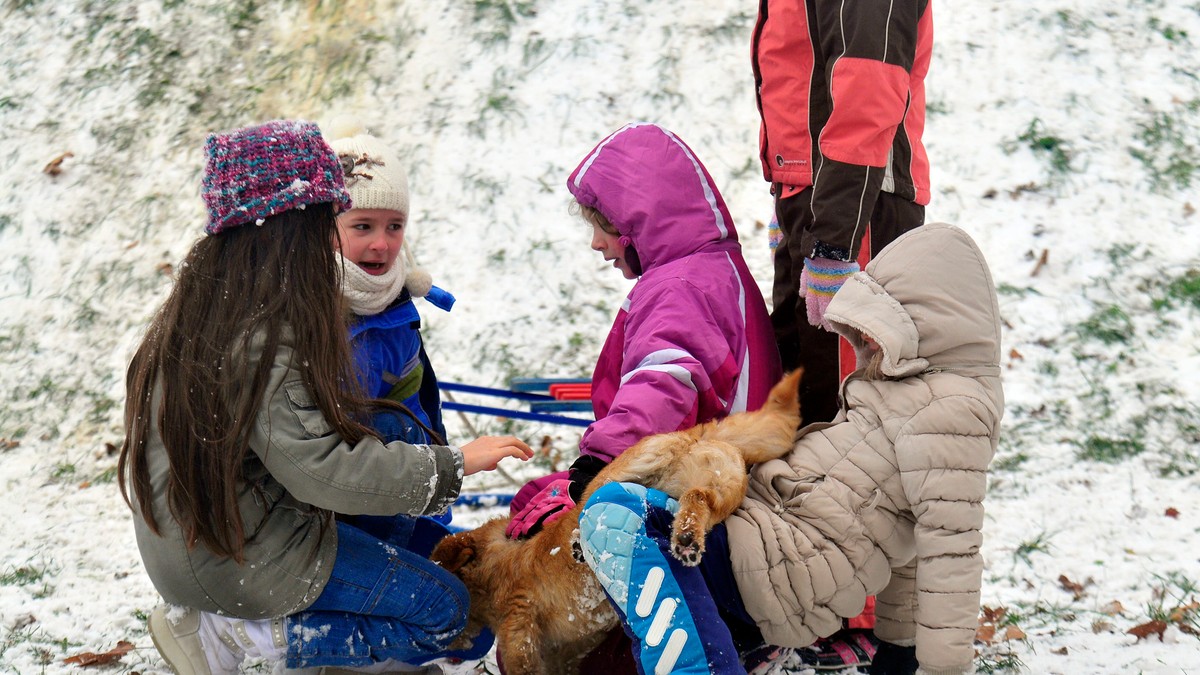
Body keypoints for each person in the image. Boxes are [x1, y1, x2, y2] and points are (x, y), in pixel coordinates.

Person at [117, 120, 533, 674]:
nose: (330, 237)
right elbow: (323, 470)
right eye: (326, 218)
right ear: (287, 227)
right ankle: (232, 636)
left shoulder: (214, 304)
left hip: (209, 538)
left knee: (425, 557)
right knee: (445, 610)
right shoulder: (261, 333)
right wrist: (452, 465)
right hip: (236, 556)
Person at [577, 223, 1004, 675]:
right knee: (617, 546)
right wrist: (898, 650)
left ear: (928, 326)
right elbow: (909, 539)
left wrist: (934, 667)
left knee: (617, 513)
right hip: (770, 543)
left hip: (784, 569)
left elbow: (949, 553)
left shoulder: (950, 410)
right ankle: (717, 651)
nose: (867, 339)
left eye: (882, 324)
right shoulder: (903, 390)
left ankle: (709, 665)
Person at [503, 122, 783, 670]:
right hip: (719, 477)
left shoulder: (680, 287)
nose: (596, 243)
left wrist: (601, 462)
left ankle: (631, 644)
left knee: (545, 516)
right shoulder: (707, 270)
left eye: (604, 227)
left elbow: (665, 380)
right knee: (538, 497)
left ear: (642, 221)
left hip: (704, 499)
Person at [754, 2, 934, 663]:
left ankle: (858, 612)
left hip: (853, 199)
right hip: (814, 193)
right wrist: (791, 209)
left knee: (848, 421)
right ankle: (824, 596)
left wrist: (832, 239)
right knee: (810, 407)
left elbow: (868, 84)